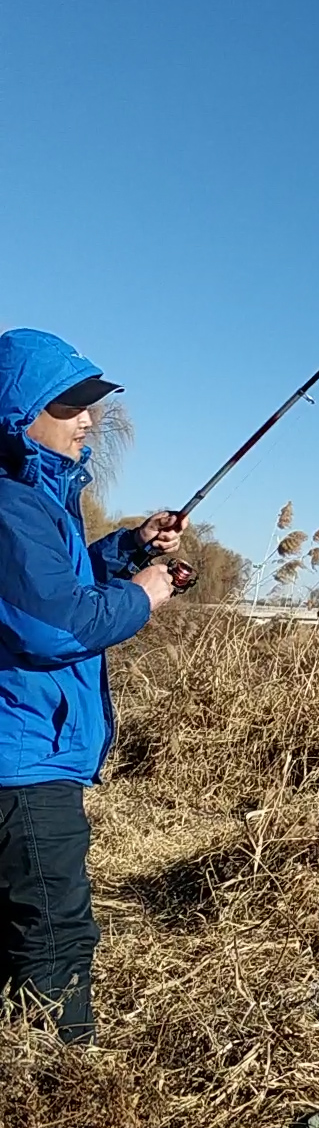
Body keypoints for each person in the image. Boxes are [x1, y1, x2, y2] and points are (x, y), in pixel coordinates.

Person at [0, 328, 185, 1043]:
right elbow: (54, 624)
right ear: (21, 413)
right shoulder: (13, 506)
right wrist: (143, 594)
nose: (88, 420)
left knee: (23, 926)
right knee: (57, 931)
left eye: (91, 405)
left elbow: (52, 587)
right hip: (24, 762)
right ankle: (62, 1085)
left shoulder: (34, 498)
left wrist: (129, 548)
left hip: (25, 753)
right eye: (70, 405)